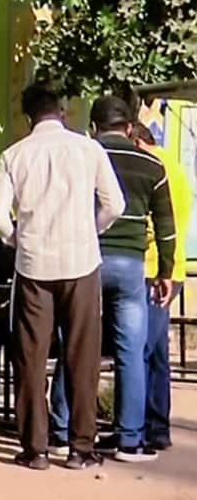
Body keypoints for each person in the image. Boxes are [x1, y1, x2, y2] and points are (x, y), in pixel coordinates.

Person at [0, 82, 125, 471]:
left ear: (28, 118)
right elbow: (115, 204)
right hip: (80, 261)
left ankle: (36, 449)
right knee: (82, 356)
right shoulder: (88, 149)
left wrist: (20, 239)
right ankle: (82, 448)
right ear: (61, 113)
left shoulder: (14, 155)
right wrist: (89, 230)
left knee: (30, 358)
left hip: (33, 266)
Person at [48, 96, 175, 463]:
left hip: (84, 261)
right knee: (130, 352)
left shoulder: (80, 157)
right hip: (131, 267)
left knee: (73, 343)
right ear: (131, 127)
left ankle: (61, 431)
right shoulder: (152, 165)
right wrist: (165, 272)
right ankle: (129, 439)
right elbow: (165, 228)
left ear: (93, 127)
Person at [132, 122, 188, 452]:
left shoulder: (156, 168)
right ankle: (156, 427)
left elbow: (155, 221)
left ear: (137, 141)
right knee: (156, 354)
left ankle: (139, 429)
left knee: (142, 350)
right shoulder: (174, 166)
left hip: (154, 269)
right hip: (169, 268)